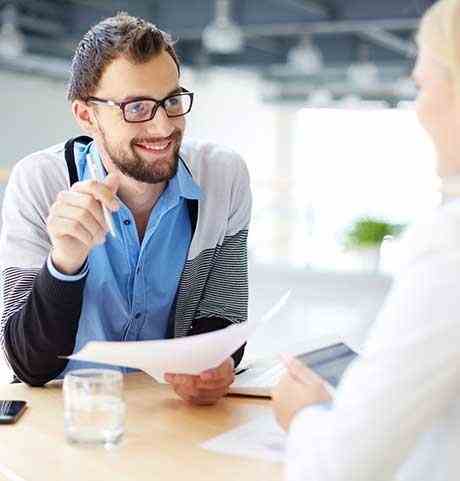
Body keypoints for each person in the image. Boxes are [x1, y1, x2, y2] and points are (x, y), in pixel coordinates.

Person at [0, 12, 251, 406]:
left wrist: (215, 367)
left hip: (168, 410)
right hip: (67, 414)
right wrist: (64, 262)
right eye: (136, 107)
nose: (163, 127)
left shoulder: (223, 177)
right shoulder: (40, 181)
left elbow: (223, 316)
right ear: (87, 115)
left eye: (172, 101)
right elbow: (28, 364)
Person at [272, 0, 460, 479]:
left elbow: (340, 468)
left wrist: (303, 414)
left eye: (423, 86)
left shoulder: (450, 243)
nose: (419, 109)